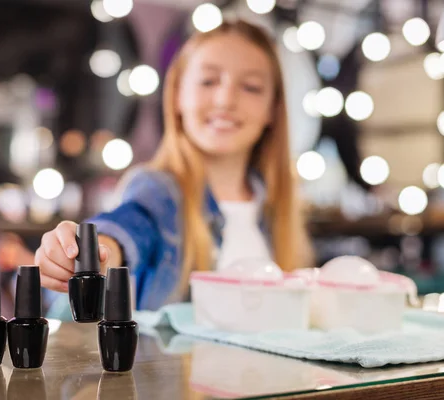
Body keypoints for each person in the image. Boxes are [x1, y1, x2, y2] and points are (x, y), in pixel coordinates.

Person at [36, 18, 315, 313]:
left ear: (273, 108)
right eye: (208, 81)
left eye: (251, 87)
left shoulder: (278, 204)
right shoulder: (158, 191)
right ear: (178, 95)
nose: (225, 99)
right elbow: (128, 227)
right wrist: (91, 253)